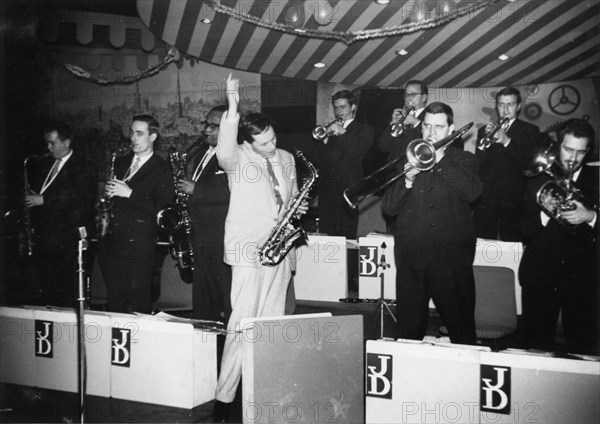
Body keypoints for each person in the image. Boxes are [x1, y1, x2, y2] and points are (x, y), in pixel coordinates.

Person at [212, 74, 304, 421]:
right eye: (263, 143)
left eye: (273, 139)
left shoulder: (286, 157)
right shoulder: (236, 159)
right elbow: (224, 145)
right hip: (249, 251)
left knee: (272, 323)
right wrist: (233, 104)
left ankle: (264, 390)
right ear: (248, 142)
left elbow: (289, 199)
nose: (271, 146)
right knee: (242, 323)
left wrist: (297, 211)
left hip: (280, 249)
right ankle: (224, 398)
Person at [381, 102, 482, 345]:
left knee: (462, 331)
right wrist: (406, 180)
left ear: (451, 129)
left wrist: (440, 158)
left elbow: (472, 193)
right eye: (427, 126)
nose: (431, 133)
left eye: (438, 127)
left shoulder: (465, 160)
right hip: (412, 259)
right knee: (408, 332)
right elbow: (389, 208)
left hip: (451, 259)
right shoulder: (405, 159)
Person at [519, 119, 599, 354]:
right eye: (567, 149)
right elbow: (523, 229)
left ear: (588, 152)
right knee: (536, 347)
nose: (572, 158)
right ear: (557, 146)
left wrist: (591, 216)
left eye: (580, 151)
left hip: (583, 279)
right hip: (540, 277)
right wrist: (547, 212)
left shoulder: (596, 179)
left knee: (583, 346)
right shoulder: (538, 178)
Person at [97, 114, 174, 314]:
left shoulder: (163, 169)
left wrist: (129, 193)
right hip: (113, 243)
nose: (133, 138)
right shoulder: (121, 163)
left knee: (139, 301)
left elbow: (162, 209)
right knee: (115, 302)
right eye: (131, 132)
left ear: (153, 137)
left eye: (139, 133)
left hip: (139, 245)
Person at [24, 123, 98, 308]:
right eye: (47, 144)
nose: (48, 148)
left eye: (53, 143)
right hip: (46, 239)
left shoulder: (84, 166)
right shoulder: (46, 164)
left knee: (68, 294)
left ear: (66, 142)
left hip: (68, 241)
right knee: (48, 293)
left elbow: (81, 199)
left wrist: (44, 200)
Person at [177, 105, 232, 323]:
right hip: (199, 238)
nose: (206, 130)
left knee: (225, 300)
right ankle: (204, 349)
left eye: (213, 126)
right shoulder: (199, 153)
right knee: (203, 302)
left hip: (220, 240)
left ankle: (225, 351)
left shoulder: (235, 155)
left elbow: (232, 190)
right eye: (205, 124)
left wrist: (195, 190)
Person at [473, 86, 543, 241]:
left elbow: (530, 163)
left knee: (512, 244)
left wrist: (507, 141)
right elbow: (479, 164)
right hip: (488, 199)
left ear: (518, 106)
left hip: (515, 199)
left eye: (510, 104)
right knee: (485, 243)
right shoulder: (484, 130)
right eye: (501, 104)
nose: (505, 109)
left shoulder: (531, 130)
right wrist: (485, 143)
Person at [314, 90, 373, 239]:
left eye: (343, 107)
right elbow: (319, 159)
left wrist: (342, 133)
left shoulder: (364, 130)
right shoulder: (332, 130)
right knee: (326, 234)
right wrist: (325, 139)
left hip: (348, 190)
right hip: (327, 191)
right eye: (336, 107)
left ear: (353, 107)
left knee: (346, 237)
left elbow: (358, 154)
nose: (339, 111)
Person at [378, 80, 429, 161]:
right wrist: (393, 124)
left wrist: (416, 123)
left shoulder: (430, 116)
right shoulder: (401, 117)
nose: (409, 98)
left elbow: (428, 144)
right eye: (406, 94)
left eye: (413, 94)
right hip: (394, 170)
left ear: (424, 97)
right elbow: (383, 147)